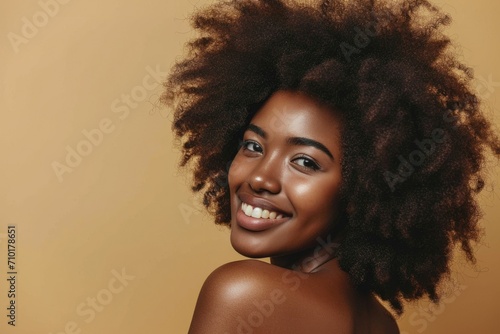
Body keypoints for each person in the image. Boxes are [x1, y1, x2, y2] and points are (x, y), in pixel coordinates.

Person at [162, 0, 500, 333]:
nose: (260, 177)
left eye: (305, 162)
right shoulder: (382, 325)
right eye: (253, 146)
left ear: (364, 191)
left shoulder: (242, 293)